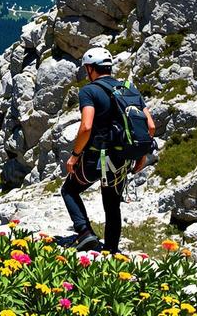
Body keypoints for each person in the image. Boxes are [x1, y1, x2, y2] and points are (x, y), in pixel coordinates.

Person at [61, 47, 156, 253]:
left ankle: (85, 233)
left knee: (69, 190)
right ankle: (111, 252)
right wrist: (141, 155)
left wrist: (75, 156)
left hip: (96, 157)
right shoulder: (129, 88)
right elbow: (150, 127)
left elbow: (86, 126)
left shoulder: (89, 90)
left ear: (90, 68)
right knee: (112, 206)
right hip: (121, 158)